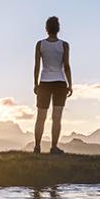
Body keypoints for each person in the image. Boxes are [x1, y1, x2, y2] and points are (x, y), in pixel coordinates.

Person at [33, 16, 72, 154]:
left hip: (44, 82)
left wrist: (35, 84)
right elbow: (66, 66)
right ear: (58, 28)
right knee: (57, 117)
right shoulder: (64, 45)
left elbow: (37, 66)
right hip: (60, 83)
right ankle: (54, 147)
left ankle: (37, 147)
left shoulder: (40, 44)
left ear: (46, 29)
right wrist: (70, 84)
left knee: (40, 117)